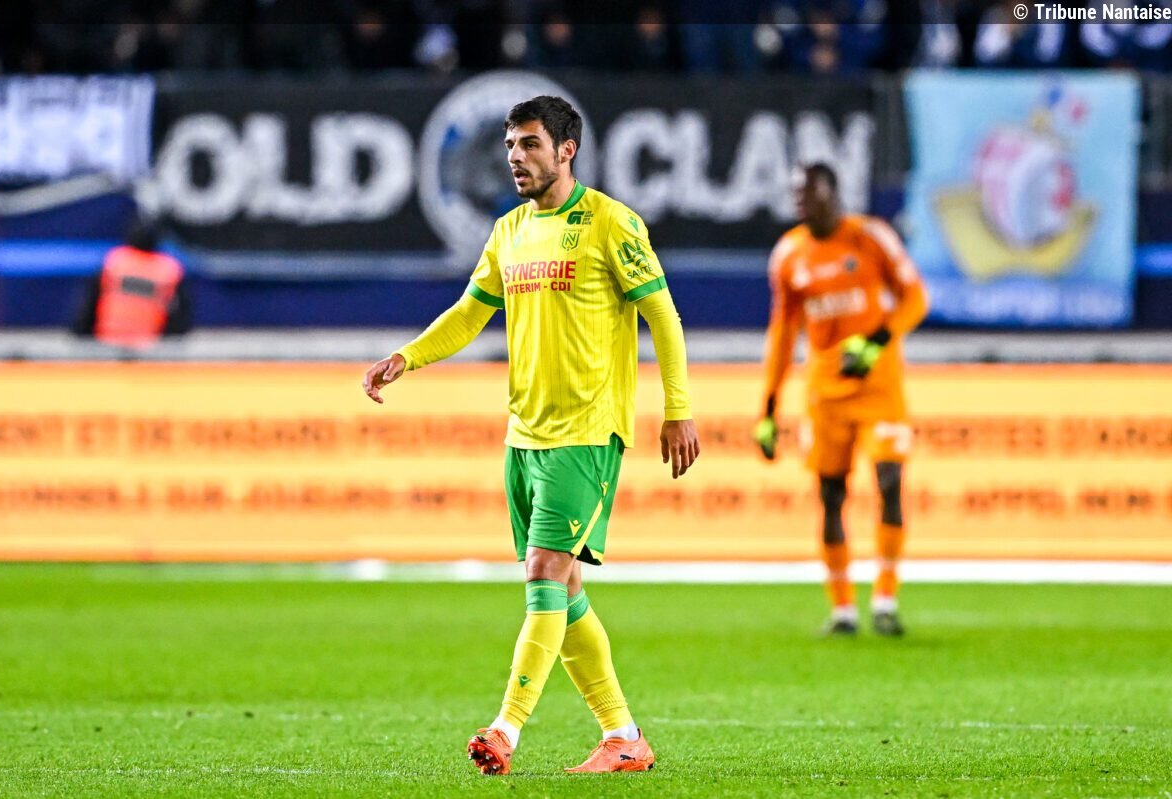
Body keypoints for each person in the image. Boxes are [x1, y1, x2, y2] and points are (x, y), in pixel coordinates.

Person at [362, 96, 699, 775]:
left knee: (543, 572)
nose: (516, 157)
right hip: (524, 435)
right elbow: (469, 313)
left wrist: (678, 408)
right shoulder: (509, 230)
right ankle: (624, 736)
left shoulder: (610, 223)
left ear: (566, 150)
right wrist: (408, 356)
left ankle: (505, 729)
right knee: (563, 591)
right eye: (511, 145)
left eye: (530, 144)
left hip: (586, 432)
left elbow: (662, 314)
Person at [754, 163, 927, 636]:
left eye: (809, 193)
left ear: (832, 193)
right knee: (831, 496)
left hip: (879, 388)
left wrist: (875, 343)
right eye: (796, 194)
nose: (801, 202)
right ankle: (843, 609)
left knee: (889, 481)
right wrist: (768, 408)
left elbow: (915, 299)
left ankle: (886, 599)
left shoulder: (871, 238)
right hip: (825, 395)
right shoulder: (789, 255)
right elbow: (783, 334)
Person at [73, 218, 191, 348]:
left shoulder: (114, 262)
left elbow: (89, 306)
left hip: (108, 340)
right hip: (149, 346)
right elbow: (180, 318)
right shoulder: (169, 270)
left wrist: (81, 340)